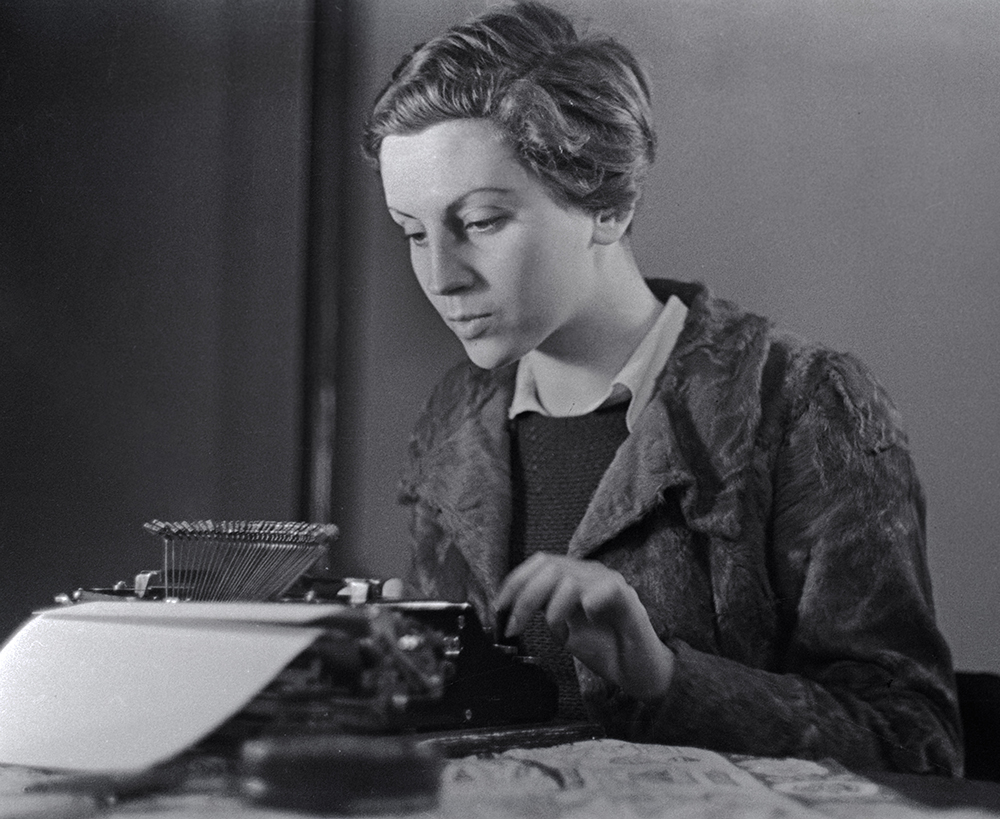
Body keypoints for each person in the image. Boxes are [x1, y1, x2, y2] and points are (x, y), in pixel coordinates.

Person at [362, 1, 963, 775]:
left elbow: (916, 746)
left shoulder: (803, 403)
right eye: (413, 232)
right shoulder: (455, 420)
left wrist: (666, 677)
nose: (439, 276)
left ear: (609, 205)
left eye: (479, 221)